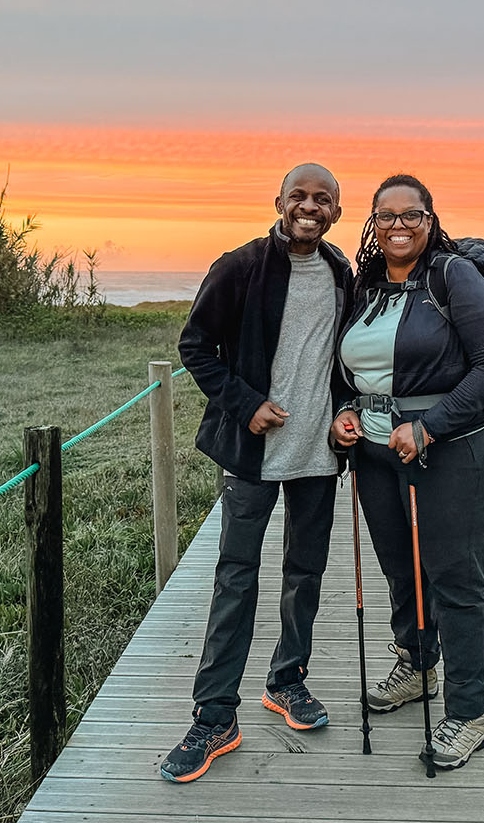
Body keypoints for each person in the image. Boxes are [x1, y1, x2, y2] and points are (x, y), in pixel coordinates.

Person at [161, 163, 353, 783]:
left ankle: (287, 681)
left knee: (305, 573)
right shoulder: (239, 266)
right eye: (299, 196)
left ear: (336, 212)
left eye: (322, 199)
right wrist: (245, 404)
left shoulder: (341, 272)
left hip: (318, 456)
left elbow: (344, 361)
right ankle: (216, 715)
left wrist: (345, 412)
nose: (309, 207)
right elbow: (195, 347)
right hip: (252, 456)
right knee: (236, 579)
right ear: (278, 202)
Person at [329, 174, 484, 770]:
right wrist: (345, 411)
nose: (398, 225)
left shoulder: (453, 276)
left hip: (455, 447)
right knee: (401, 568)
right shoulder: (367, 285)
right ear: (372, 224)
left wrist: (429, 425)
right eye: (386, 216)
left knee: (455, 576)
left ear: (430, 221)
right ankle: (417, 664)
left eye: (412, 215)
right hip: (376, 450)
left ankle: (469, 712)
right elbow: (354, 368)